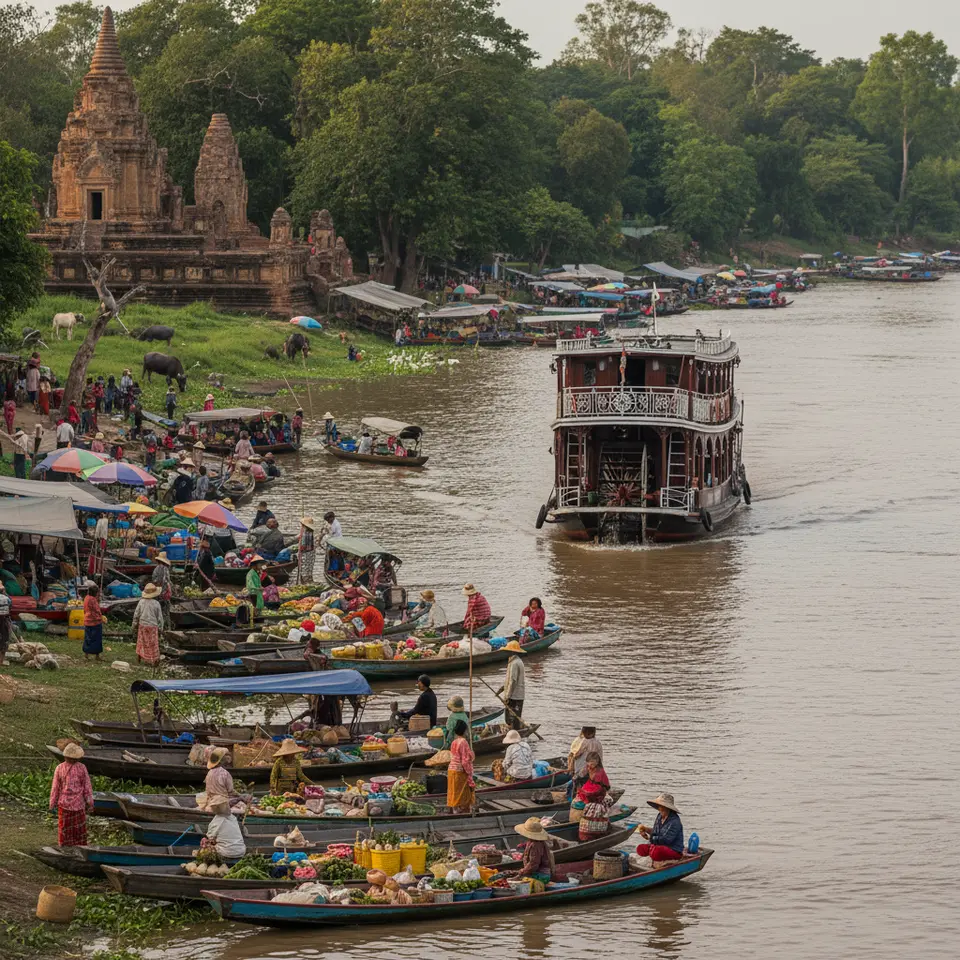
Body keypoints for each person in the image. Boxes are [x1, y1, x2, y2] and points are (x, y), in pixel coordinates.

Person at [49, 743, 94, 846]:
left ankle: (65, 847)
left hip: (65, 805)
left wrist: (52, 804)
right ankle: (79, 847)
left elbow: (55, 788)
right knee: (78, 830)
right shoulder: (82, 767)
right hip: (77, 805)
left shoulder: (59, 767)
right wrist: (90, 803)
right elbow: (87, 788)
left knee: (65, 829)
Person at [635, 793, 685, 862]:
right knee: (640, 848)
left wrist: (650, 838)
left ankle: (653, 852)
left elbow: (666, 840)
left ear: (668, 808)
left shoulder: (675, 822)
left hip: (673, 850)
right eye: (659, 806)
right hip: (659, 845)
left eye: (662, 806)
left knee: (656, 852)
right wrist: (645, 829)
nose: (659, 809)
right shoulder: (659, 816)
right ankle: (653, 851)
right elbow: (656, 832)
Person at [514, 817, 555, 884]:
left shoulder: (536, 845)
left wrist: (522, 872)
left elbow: (534, 864)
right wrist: (523, 845)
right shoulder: (534, 841)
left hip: (541, 876)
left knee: (518, 881)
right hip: (538, 873)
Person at [447, 719, 475, 813]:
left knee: (454, 791)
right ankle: (460, 811)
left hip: (451, 769)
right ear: (464, 730)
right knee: (463, 793)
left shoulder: (454, 742)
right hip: (459, 771)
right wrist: (469, 773)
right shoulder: (463, 742)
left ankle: (455, 809)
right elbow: (465, 761)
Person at [133, 582, 163, 664]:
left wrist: (134, 625)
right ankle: (154, 660)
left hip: (143, 625)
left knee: (141, 642)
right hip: (153, 626)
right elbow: (160, 618)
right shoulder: (156, 604)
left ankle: (139, 658)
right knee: (153, 643)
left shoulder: (141, 602)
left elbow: (136, 614)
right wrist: (161, 628)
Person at [497, 647, 526, 729]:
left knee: (512, 718)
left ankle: (514, 733)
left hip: (514, 696)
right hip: (516, 695)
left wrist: (508, 696)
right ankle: (514, 731)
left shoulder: (514, 663)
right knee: (514, 716)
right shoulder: (516, 661)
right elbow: (510, 680)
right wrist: (502, 689)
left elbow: (513, 681)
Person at [568, 725, 602, 792]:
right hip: (595, 768)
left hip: (584, 768)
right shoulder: (598, 742)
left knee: (579, 783)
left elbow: (577, 754)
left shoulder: (585, 741)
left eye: (585, 733)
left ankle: (579, 797)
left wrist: (572, 757)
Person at [82, 585, 104, 661]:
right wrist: (101, 618)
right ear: (95, 592)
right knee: (97, 639)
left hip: (87, 621)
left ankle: (86, 655)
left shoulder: (86, 598)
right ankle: (97, 656)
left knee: (88, 638)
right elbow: (97, 610)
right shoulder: (93, 600)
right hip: (95, 622)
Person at [298, 517, 316, 584]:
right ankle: (307, 580)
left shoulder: (306, 533)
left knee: (304, 568)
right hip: (310, 552)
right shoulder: (310, 531)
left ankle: (305, 582)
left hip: (306, 553)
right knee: (308, 568)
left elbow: (303, 545)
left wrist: (300, 549)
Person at [0, 584, 10, 665]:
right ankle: (1, 661)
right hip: (4, 619)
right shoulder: (6, 598)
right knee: (4, 638)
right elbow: (10, 605)